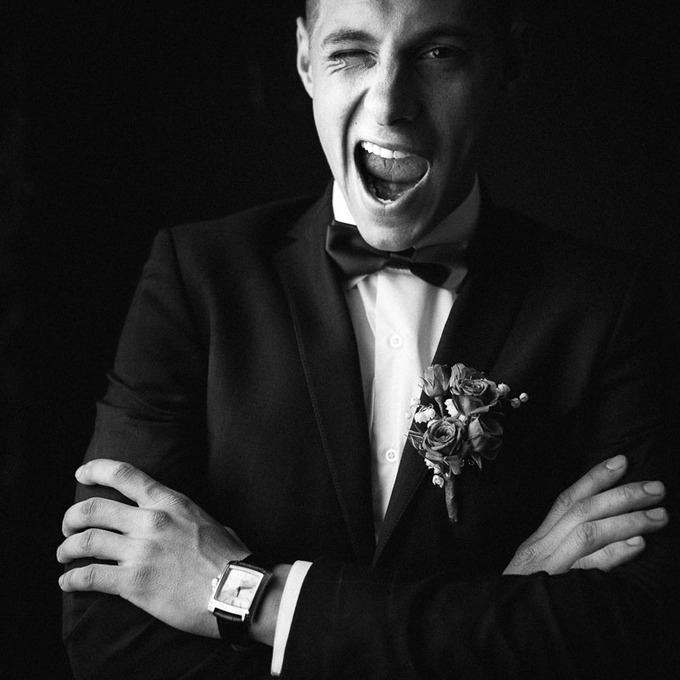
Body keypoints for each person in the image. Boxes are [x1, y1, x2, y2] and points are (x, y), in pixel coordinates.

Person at [57, 0, 679, 678]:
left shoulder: (609, 304)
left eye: (438, 54)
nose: (389, 104)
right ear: (305, 60)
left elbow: (635, 627)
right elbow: (110, 636)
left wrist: (256, 600)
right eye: (351, 53)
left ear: (510, 63)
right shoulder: (194, 278)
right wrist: (504, 605)